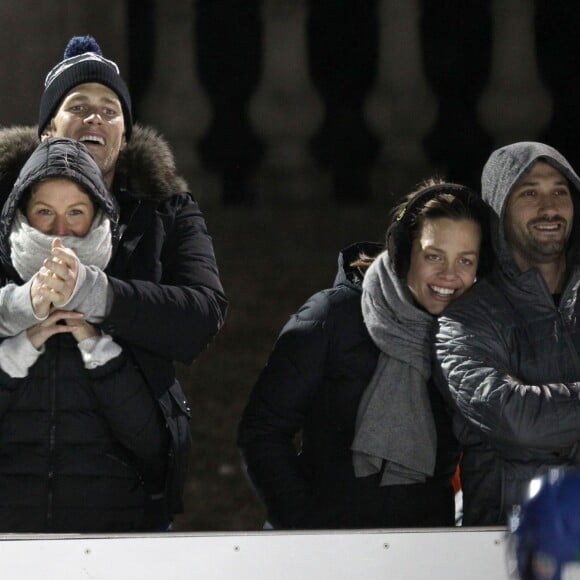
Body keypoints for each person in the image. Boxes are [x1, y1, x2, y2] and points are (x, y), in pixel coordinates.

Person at [0, 35, 227, 522]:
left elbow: (201, 316)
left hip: (124, 484)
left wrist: (99, 295)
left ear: (123, 135)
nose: (95, 117)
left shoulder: (166, 210)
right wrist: (23, 305)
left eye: (110, 109)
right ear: (47, 130)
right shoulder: (3, 204)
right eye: (77, 105)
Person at [237, 179, 492, 529]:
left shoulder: (473, 338)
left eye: (465, 260)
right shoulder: (333, 316)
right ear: (404, 252)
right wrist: (304, 526)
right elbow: (263, 431)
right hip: (324, 549)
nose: (449, 274)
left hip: (424, 551)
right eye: (434, 255)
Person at [0, 136, 169, 532]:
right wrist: (20, 349)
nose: (61, 231)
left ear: (98, 217)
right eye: (45, 212)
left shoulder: (129, 297)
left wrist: (97, 346)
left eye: (75, 212)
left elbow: (153, 448)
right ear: (21, 216)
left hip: (107, 536)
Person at [434, 141, 580, 527]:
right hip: (505, 544)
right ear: (498, 208)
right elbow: (515, 420)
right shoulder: (465, 317)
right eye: (529, 192)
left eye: (560, 192)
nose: (549, 208)